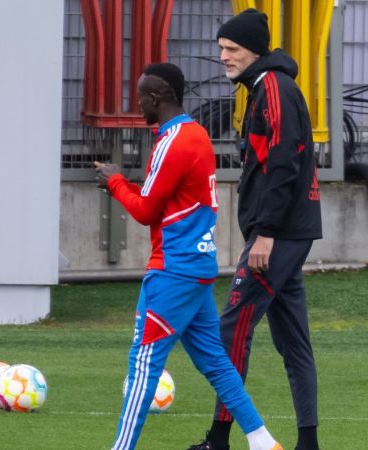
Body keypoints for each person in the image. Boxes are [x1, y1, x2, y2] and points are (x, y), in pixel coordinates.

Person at [96, 63, 283, 450]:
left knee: (143, 364)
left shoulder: (171, 143)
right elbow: (169, 199)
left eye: (141, 97)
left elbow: (147, 210)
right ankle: (263, 441)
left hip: (173, 271)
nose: (138, 104)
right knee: (215, 362)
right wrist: (125, 183)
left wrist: (115, 181)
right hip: (198, 268)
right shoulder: (196, 135)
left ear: (156, 98)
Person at [189, 9, 323, 450]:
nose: (223, 57)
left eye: (231, 49)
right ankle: (308, 442)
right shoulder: (265, 86)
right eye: (222, 49)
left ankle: (220, 439)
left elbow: (282, 163)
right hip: (287, 230)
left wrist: (264, 232)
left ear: (254, 51)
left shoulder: (274, 88)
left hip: (278, 234)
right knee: (293, 343)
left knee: (234, 327)